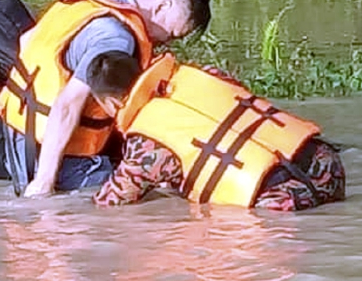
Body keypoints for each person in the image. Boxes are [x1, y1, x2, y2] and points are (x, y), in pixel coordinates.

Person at [0, 0, 211, 197]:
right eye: (172, 34)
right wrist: (43, 183)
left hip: (18, 133)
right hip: (44, 154)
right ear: (163, 6)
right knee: (158, 196)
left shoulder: (91, 2)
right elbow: (67, 104)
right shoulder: (116, 38)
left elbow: (26, 41)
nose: (167, 42)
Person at [83, 51, 346, 211]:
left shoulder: (145, 147)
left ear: (111, 103)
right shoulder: (207, 74)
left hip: (280, 201)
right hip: (328, 166)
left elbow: (110, 203)